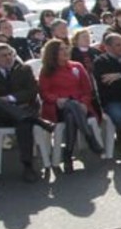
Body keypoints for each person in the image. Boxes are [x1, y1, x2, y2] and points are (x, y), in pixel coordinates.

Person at [0, 43, 49, 182]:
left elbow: (31, 91)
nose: (8, 58)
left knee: (23, 123)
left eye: (10, 54)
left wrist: (10, 98)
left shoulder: (24, 70)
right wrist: (7, 101)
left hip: (23, 111)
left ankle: (28, 166)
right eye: (4, 56)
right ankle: (35, 120)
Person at [38, 39, 105, 173]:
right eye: (61, 50)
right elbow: (44, 92)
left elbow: (87, 90)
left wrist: (84, 103)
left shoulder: (77, 66)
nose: (65, 52)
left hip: (79, 106)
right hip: (57, 108)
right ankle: (89, 136)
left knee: (71, 114)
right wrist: (57, 100)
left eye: (65, 48)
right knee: (70, 106)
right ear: (53, 53)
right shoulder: (47, 70)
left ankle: (67, 154)